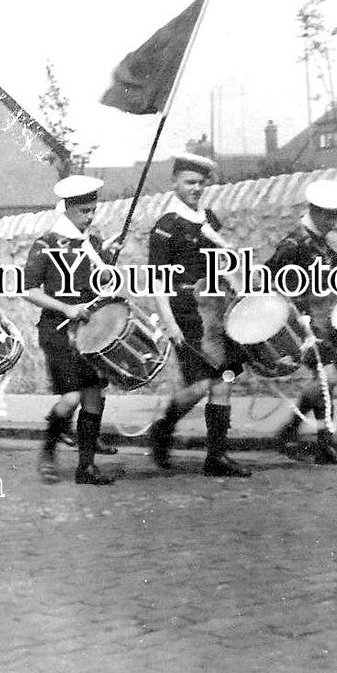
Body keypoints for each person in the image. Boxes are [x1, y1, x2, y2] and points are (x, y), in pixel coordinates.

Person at [146, 153, 251, 477]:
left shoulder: (209, 222)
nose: (196, 188)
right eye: (189, 182)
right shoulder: (166, 227)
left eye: (200, 183)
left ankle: (216, 457)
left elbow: (221, 267)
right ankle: (163, 428)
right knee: (198, 385)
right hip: (185, 312)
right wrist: (170, 323)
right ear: (174, 182)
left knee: (224, 379)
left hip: (216, 309)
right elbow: (157, 282)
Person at [24, 175, 120, 485]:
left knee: (93, 397)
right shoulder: (47, 243)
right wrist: (66, 308)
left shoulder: (93, 242)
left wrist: (108, 259)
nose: (90, 217)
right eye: (84, 212)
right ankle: (48, 452)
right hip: (58, 330)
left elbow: (101, 284)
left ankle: (86, 468)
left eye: (93, 210)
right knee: (72, 397)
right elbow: (29, 290)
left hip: (90, 332)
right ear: (67, 209)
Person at [265, 179, 337, 465]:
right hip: (306, 324)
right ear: (315, 210)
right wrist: (296, 317)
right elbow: (270, 278)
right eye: (330, 214)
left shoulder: (319, 243)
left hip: (325, 322)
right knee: (327, 379)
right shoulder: (295, 243)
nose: (334, 221)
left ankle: (291, 429)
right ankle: (323, 446)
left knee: (329, 379)